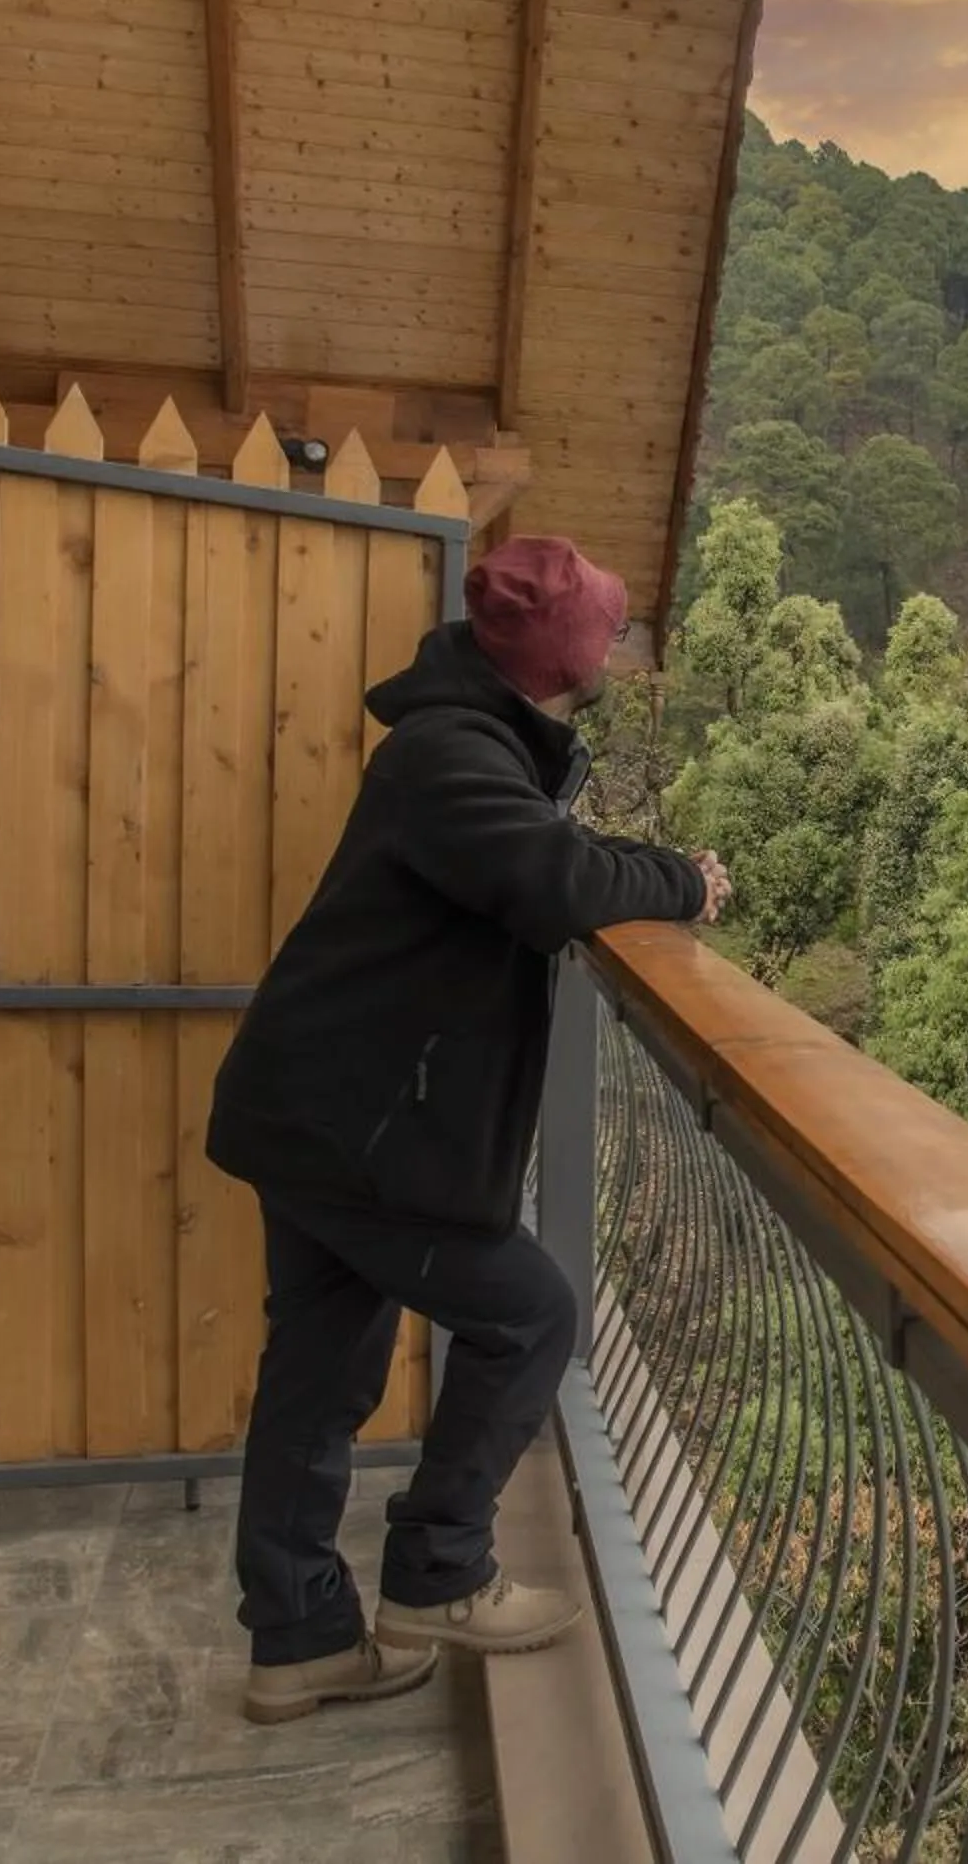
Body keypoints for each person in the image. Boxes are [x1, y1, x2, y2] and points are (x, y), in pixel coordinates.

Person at [205, 535, 731, 1726]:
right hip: (358, 1131)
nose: (611, 648)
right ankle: (439, 1575)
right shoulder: (450, 756)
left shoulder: (466, 748)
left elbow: (555, 858)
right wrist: (685, 888)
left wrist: (647, 865)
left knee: (319, 1374)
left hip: (323, 1115)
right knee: (533, 1312)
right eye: (603, 631)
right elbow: (558, 885)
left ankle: (297, 1643)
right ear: (563, 656)